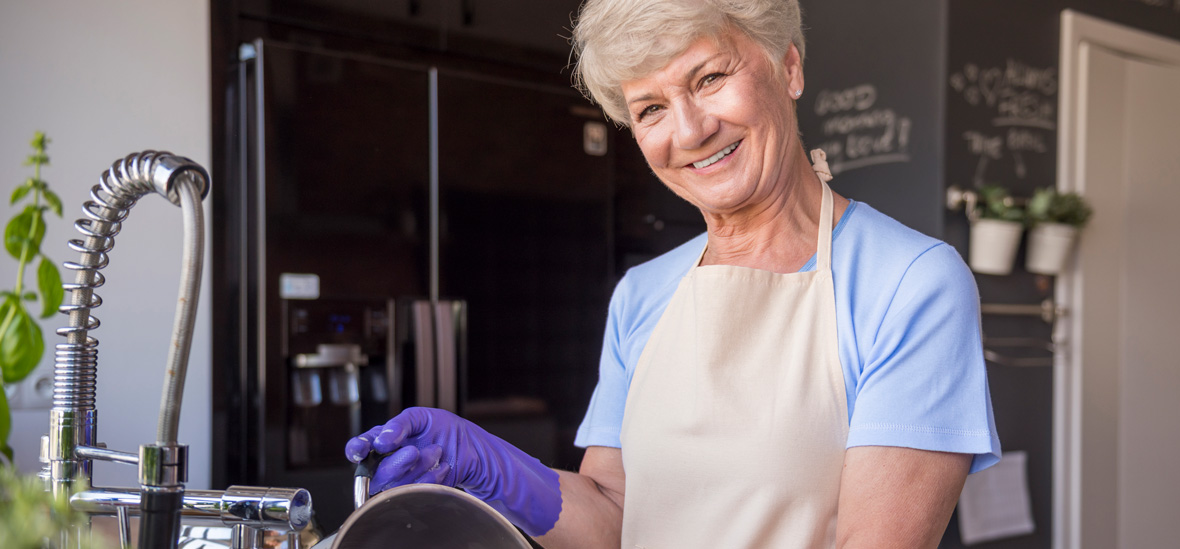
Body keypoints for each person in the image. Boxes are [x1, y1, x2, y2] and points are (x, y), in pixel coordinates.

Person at [344, 0, 1001, 547]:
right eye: (650, 108)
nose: (688, 130)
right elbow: (614, 516)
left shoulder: (910, 283)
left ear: (789, 67)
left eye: (710, 77)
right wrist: (485, 465)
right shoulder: (643, 293)